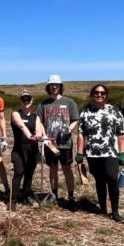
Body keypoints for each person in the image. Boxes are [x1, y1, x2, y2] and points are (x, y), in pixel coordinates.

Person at [76, 84, 124, 223]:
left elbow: (121, 134)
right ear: (92, 95)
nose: (99, 95)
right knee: (99, 180)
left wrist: (122, 153)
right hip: (92, 153)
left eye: (102, 93)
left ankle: (115, 212)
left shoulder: (114, 111)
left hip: (110, 152)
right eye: (96, 93)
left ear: (106, 95)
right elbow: (81, 134)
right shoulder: (86, 113)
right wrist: (80, 152)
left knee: (112, 178)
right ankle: (102, 208)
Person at [36, 74, 78, 210]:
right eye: (51, 85)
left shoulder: (69, 102)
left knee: (67, 169)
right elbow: (39, 121)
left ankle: (71, 196)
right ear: (48, 87)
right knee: (52, 169)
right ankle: (54, 195)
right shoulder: (43, 104)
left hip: (65, 143)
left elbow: (75, 119)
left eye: (57, 85)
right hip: (50, 143)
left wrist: (69, 130)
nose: (54, 87)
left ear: (60, 87)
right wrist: (44, 136)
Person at [9, 90, 44, 210]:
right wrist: (30, 136)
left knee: (29, 174)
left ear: (31, 100)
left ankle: (25, 195)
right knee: (19, 172)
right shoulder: (16, 114)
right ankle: (13, 199)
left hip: (32, 149)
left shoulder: (35, 117)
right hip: (19, 148)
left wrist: (38, 136)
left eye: (28, 99)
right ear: (20, 101)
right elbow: (21, 126)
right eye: (23, 99)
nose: (26, 101)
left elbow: (39, 129)